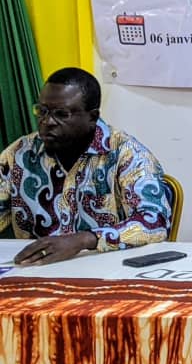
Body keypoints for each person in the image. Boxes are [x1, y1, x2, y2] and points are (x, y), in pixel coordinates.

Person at [0, 67, 170, 264]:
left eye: (61, 114)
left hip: (107, 268)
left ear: (92, 117)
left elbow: (154, 223)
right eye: (42, 111)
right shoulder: (19, 154)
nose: (47, 122)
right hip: (34, 268)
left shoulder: (126, 155)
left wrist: (84, 240)